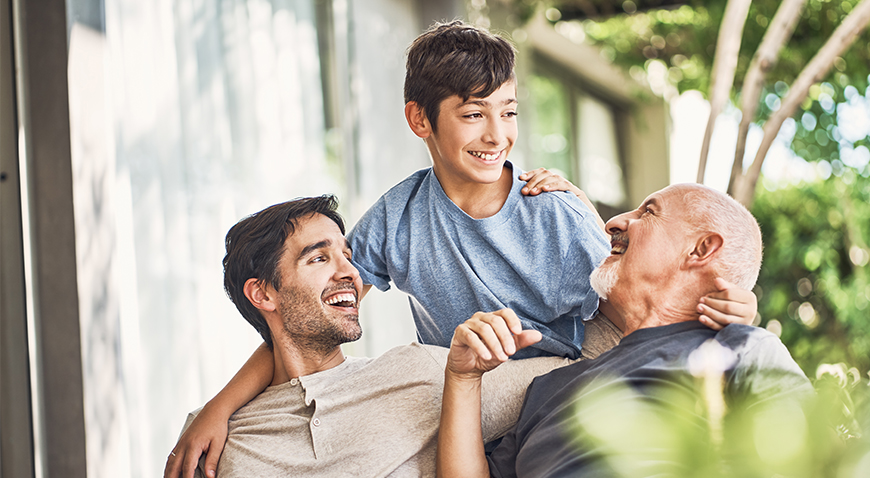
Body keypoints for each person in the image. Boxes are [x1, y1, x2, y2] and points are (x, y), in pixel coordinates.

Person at [166, 21, 758, 477]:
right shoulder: (397, 219)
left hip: (558, 377)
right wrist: (220, 407)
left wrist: (732, 316)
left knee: (415, 384)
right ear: (419, 120)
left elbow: (639, 305)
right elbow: (307, 317)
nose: (496, 135)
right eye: (474, 115)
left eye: (508, 113)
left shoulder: (551, 209)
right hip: (461, 393)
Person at [163, 196, 607, 477]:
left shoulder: (424, 374)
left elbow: (594, 362)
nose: (350, 273)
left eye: (348, 255)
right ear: (263, 293)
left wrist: (577, 211)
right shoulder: (217, 439)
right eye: (319, 259)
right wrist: (217, 409)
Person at [437, 183, 815, 478]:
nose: (613, 223)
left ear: (700, 249)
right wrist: (463, 377)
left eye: (648, 212)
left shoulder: (743, 351)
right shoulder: (550, 387)